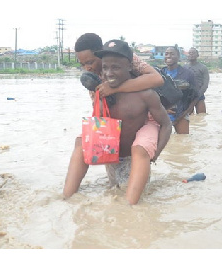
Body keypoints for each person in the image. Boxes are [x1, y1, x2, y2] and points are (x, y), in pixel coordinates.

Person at [63, 40, 172, 205]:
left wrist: (154, 155)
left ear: (129, 66)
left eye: (90, 62)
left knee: (140, 147)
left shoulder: (142, 88)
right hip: (117, 133)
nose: (88, 68)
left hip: (141, 128)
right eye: (106, 68)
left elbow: (164, 120)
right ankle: (66, 198)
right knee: (81, 141)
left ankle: (129, 207)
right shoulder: (99, 88)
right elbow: (99, 118)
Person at [161, 46, 197, 134]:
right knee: (162, 143)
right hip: (162, 114)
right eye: (166, 54)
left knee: (183, 142)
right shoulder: (160, 73)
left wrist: (185, 113)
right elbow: (153, 95)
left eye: (172, 54)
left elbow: (195, 96)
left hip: (181, 113)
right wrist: (163, 110)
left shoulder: (188, 74)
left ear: (178, 57)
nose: (169, 56)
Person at [185, 47, 209, 114]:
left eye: (193, 53)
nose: (191, 54)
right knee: (189, 117)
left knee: (202, 116)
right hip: (187, 96)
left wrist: (198, 95)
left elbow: (205, 84)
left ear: (197, 55)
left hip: (199, 95)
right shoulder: (184, 68)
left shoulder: (203, 67)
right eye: (190, 53)